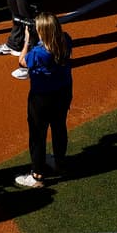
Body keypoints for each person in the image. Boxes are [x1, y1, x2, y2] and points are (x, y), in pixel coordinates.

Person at [16, 13, 73, 188]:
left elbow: (22, 61)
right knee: (59, 128)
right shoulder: (66, 40)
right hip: (63, 93)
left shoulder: (39, 53)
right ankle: (59, 163)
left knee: (37, 135)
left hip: (42, 99)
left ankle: (37, 175)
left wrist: (27, 39)